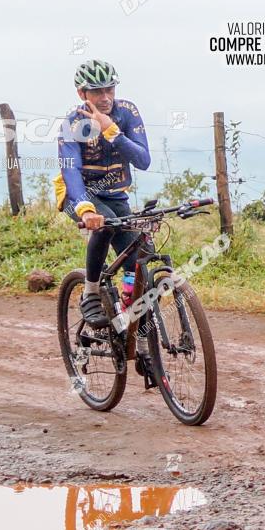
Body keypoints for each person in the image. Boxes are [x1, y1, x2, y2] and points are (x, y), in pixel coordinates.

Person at [56, 59, 151, 329]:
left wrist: (112, 130)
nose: (106, 97)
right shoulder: (72, 124)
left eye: (110, 89)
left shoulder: (127, 112)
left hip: (116, 194)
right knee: (104, 226)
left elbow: (143, 160)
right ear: (82, 94)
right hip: (80, 194)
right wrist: (85, 209)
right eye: (97, 91)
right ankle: (91, 293)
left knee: (139, 257)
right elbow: (70, 170)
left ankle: (127, 311)